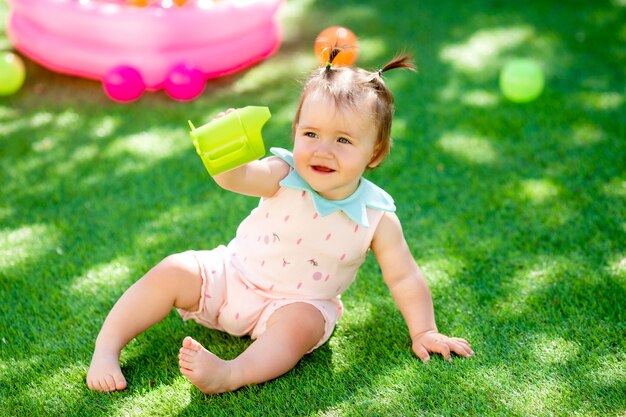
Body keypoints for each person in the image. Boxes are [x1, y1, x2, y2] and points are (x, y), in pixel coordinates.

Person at [86, 50, 474, 394]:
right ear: (295, 133)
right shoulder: (282, 173)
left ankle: (231, 373)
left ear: (375, 152)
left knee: (300, 324)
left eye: (343, 140)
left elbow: (404, 277)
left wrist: (424, 330)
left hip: (297, 304)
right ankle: (107, 348)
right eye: (311, 133)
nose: (322, 149)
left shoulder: (376, 217)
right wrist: (226, 150)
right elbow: (235, 178)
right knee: (173, 269)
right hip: (232, 277)